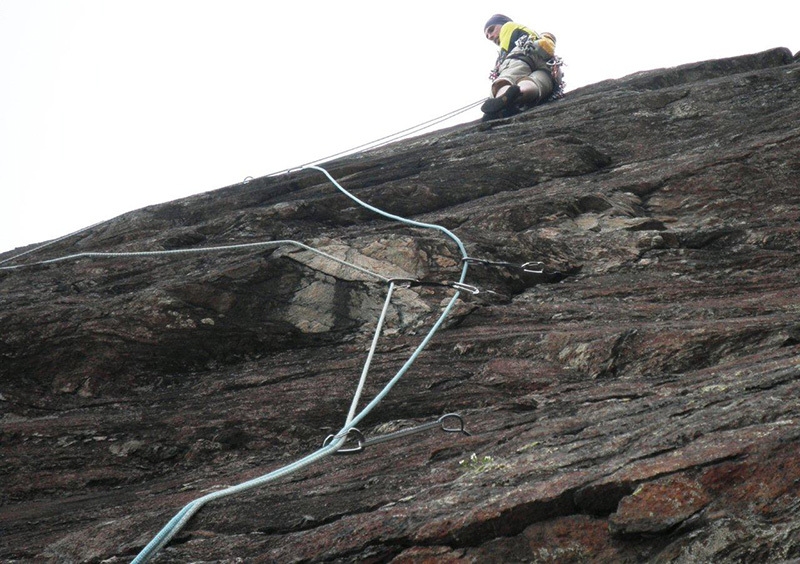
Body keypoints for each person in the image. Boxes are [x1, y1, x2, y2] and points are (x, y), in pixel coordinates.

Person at [481, 14, 561, 119]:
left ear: (502, 23)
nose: (490, 37)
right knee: (536, 82)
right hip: (548, 65)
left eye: (491, 30)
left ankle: (501, 99)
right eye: (487, 36)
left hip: (522, 54)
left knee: (506, 79)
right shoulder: (537, 37)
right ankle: (520, 92)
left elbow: (506, 54)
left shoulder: (508, 26)